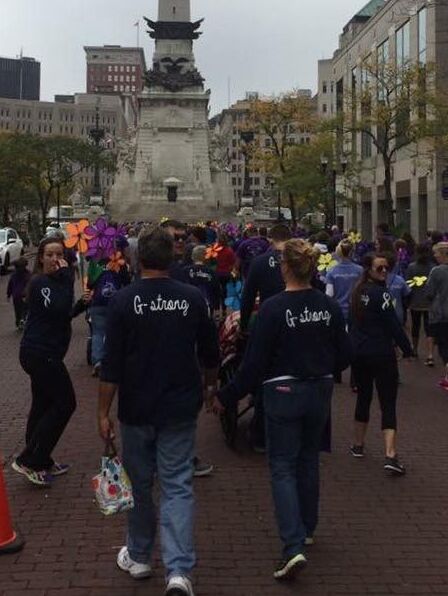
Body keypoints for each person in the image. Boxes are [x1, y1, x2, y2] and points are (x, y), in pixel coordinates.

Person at [214, 239, 351, 580]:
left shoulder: (273, 309)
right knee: (308, 459)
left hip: (283, 390)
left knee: (282, 467)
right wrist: (323, 366)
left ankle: (292, 546)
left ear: (286, 268)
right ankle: (307, 527)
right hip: (319, 388)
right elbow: (346, 354)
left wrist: (228, 396)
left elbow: (253, 366)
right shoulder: (328, 306)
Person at [98, 229, 220, 596]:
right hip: (180, 406)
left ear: (138, 260)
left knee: (139, 484)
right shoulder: (192, 298)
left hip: (136, 406)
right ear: (172, 259)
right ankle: (179, 571)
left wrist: (103, 411)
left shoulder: (122, 301)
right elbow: (211, 353)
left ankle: (138, 556)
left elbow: (111, 363)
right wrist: (210, 386)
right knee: (178, 485)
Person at [11, 237, 89, 486]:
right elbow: (58, 307)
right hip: (40, 354)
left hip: (48, 353)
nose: (56, 260)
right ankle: (30, 459)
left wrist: (81, 305)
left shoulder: (54, 284)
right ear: (41, 259)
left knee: (43, 404)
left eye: (60, 255)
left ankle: (40, 458)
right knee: (66, 403)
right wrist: (68, 278)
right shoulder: (41, 283)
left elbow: (63, 314)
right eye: (50, 255)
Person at [350, 253, 413, 475]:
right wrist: (407, 349)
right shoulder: (381, 294)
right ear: (368, 270)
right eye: (379, 268)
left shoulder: (357, 293)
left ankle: (358, 444)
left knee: (364, 396)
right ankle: (390, 454)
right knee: (387, 402)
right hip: (381, 353)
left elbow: (352, 323)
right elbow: (393, 324)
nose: (384, 271)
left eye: (387, 268)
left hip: (360, 353)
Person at [87, 257, 131, 377]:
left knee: (97, 332)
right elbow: (126, 281)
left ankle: (98, 360)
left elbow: (90, 284)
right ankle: (115, 359)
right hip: (116, 302)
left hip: (97, 303)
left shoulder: (94, 261)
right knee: (117, 331)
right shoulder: (119, 261)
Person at [405, 243, 435, 365]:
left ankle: (415, 349)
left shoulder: (411, 267)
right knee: (429, 329)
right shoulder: (433, 267)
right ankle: (430, 354)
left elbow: (408, 284)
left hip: (415, 301)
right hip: (429, 302)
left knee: (415, 327)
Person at [426, 242, 448, 389]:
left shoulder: (436, 271)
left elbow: (429, 293)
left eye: (437, 253)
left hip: (441, 314)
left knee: (444, 346)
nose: (435, 256)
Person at [184, 245, 221, 315]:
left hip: (188, 304)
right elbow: (216, 291)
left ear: (193, 256)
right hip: (207, 305)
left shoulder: (185, 271)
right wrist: (217, 308)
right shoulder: (211, 272)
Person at [7, 257, 31, 330]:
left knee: (17, 310)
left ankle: (18, 322)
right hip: (24, 295)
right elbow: (30, 285)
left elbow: (10, 285)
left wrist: (8, 294)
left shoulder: (13, 275)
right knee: (25, 309)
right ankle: (23, 320)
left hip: (16, 296)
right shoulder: (28, 274)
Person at [215, 232, 236, 314]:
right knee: (224, 290)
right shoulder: (229, 251)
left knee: (216, 290)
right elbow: (233, 262)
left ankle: (216, 309)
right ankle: (224, 309)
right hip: (226, 273)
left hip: (217, 273)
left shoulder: (215, 250)